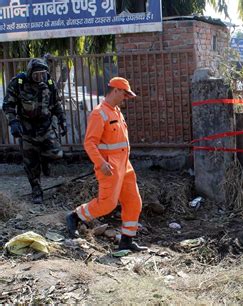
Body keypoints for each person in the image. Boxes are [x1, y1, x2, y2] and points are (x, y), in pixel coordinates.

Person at [66, 77, 147, 252]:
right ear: (116, 90)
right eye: (124, 94)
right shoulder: (99, 113)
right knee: (107, 204)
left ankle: (126, 241)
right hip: (109, 167)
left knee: (134, 202)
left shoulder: (116, 111)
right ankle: (75, 216)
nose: (125, 98)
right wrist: (101, 163)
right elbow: (89, 143)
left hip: (125, 165)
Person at [2, 58, 67, 205]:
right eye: (36, 75)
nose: (40, 78)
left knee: (56, 154)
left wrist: (63, 121)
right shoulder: (18, 83)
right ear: (30, 73)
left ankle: (44, 160)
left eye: (42, 74)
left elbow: (56, 103)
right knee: (30, 162)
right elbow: (8, 105)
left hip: (45, 126)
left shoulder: (48, 83)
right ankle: (36, 190)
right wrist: (13, 122)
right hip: (27, 128)